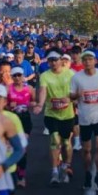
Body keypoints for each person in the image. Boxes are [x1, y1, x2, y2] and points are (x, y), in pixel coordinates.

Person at [70, 51, 98, 191]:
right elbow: (71, 95)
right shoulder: (77, 77)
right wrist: (77, 95)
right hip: (84, 117)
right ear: (82, 62)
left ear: (95, 61)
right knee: (87, 149)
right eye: (85, 60)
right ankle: (87, 174)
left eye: (90, 59)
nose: (87, 62)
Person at [34, 52, 76, 186]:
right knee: (55, 141)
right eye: (51, 60)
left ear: (61, 60)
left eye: (55, 60)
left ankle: (66, 166)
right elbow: (43, 91)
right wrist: (40, 104)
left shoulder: (70, 74)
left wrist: (69, 99)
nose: (53, 63)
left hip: (67, 115)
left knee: (66, 143)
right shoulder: (45, 76)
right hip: (51, 114)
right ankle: (54, 172)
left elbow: (77, 92)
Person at [0, 84, 28, 195]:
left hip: (8, 168)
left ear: (5, 102)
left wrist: (7, 163)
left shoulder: (12, 118)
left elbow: (22, 146)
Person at [7, 67, 35, 187]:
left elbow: (34, 102)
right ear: (12, 77)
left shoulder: (29, 89)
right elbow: (2, 105)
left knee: (22, 147)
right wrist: (9, 106)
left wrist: (30, 105)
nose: (17, 78)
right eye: (15, 76)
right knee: (11, 148)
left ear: (23, 76)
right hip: (11, 121)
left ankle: (21, 176)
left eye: (19, 75)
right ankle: (12, 171)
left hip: (25, 120)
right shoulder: (8, 89)